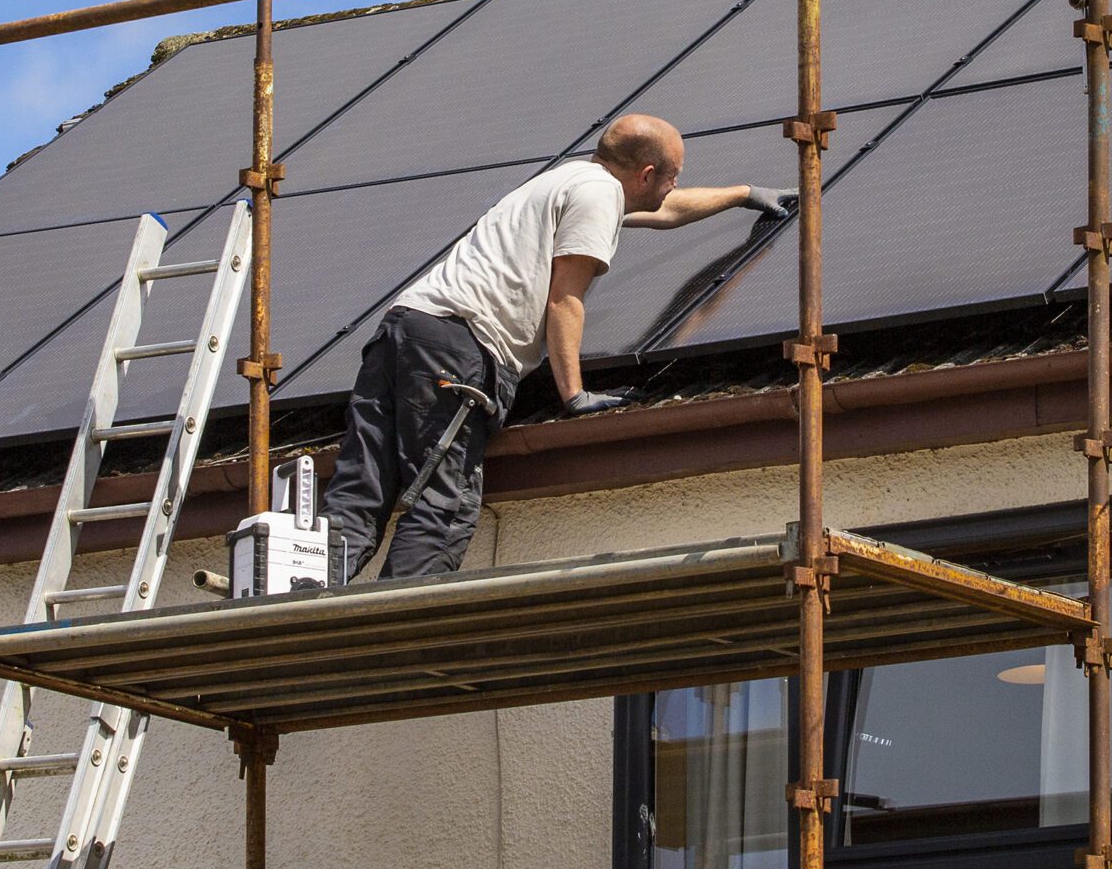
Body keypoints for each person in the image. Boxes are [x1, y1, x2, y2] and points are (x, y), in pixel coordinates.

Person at [320, 112, 792, 582]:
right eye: (672, 177)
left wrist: (744, 195)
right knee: (441, 505)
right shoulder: (599, 194)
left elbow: (667, 209)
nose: (673, 188)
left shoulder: (569, 179)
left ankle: (298, 603)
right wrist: (575, 394)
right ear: (647, 174)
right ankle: (394, 639)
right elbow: (565, 297)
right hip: (460, 348)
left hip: (403, 331)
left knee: (360, 492)